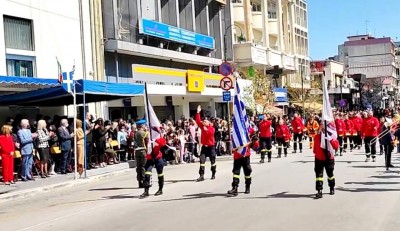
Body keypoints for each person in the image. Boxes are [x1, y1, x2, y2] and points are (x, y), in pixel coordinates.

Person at [227, 127, 259, 196]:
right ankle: (235, 188)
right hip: (237, 155)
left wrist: (254, 139)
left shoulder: (246, 128)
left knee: (247, 171)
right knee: (236, 172)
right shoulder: (234, 131)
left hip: (245, 154)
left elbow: (253, 131)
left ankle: (247, 186)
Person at [313, 122, 339, 199]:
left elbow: (336, 146)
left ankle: (331, 187)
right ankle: (319, 190)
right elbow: (315, 149)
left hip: (328, 158)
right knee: (319, 175)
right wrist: (317, 154)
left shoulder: (331, 136)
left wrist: (330, 139)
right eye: (321, 127)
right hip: (319, 158)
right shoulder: (317, 137)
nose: (322, 129)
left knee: (330, 174)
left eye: (323, 127)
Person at [195, 105, 216, 182]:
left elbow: (209, 134)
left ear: (209, 122)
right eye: (203, 121)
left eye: (205, 121)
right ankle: (201, 175)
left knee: (212, 162)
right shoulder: (202, 126)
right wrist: (198, 112)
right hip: (204, 147)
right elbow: (197, 121)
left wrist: (205, 129)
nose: (203, 122)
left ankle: (213, 173)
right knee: (202, 161)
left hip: (211, 147)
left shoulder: (212, 128)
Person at [134, 120, 149, 188]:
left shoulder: (135, 133)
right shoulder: (144, 133)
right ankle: (144, 180)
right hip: (143, 150)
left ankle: (139, 181)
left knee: (138, 166)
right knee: (143, 166)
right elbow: (147, 142)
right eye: (144, 125)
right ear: (142, 126)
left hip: (137, 151)